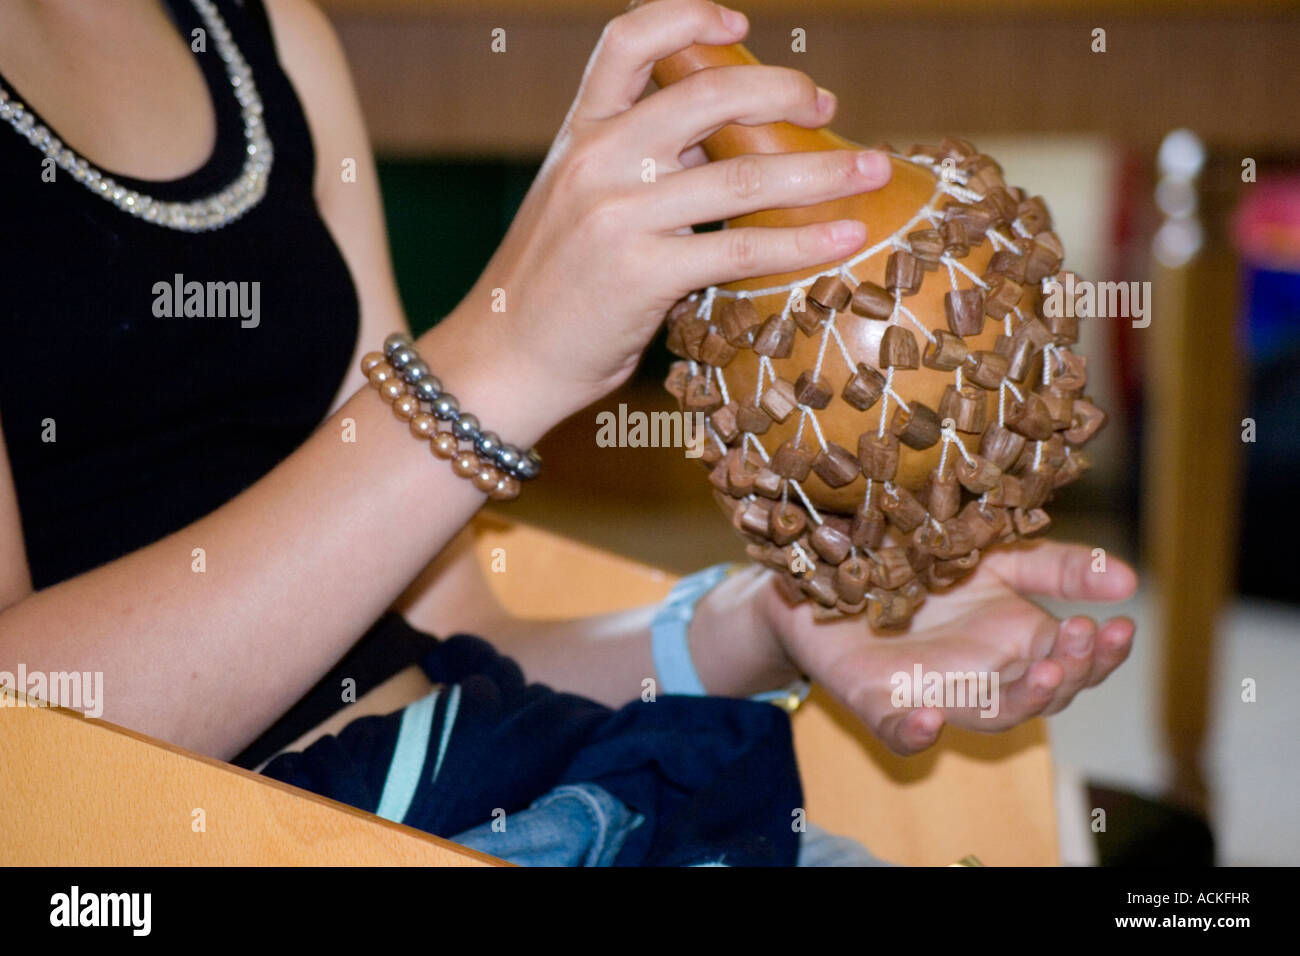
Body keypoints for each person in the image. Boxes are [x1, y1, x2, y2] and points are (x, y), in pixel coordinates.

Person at [0, 0, 1135, 865]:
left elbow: (453, 629)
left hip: (523, 781)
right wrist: (497, 366)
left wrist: (777, 616)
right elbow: (20, 738)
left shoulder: (271, 35)